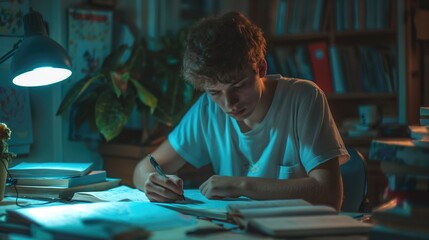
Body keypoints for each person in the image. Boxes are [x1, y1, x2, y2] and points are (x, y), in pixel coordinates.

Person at [133, 11, 349, 211]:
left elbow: (329, 194)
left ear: (261, 68)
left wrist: (240, 185)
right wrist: (151, 182)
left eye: (238, 86)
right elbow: (144, 167)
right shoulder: (208, 110)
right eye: (214, 92)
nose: (229, 104)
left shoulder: (303, 98)